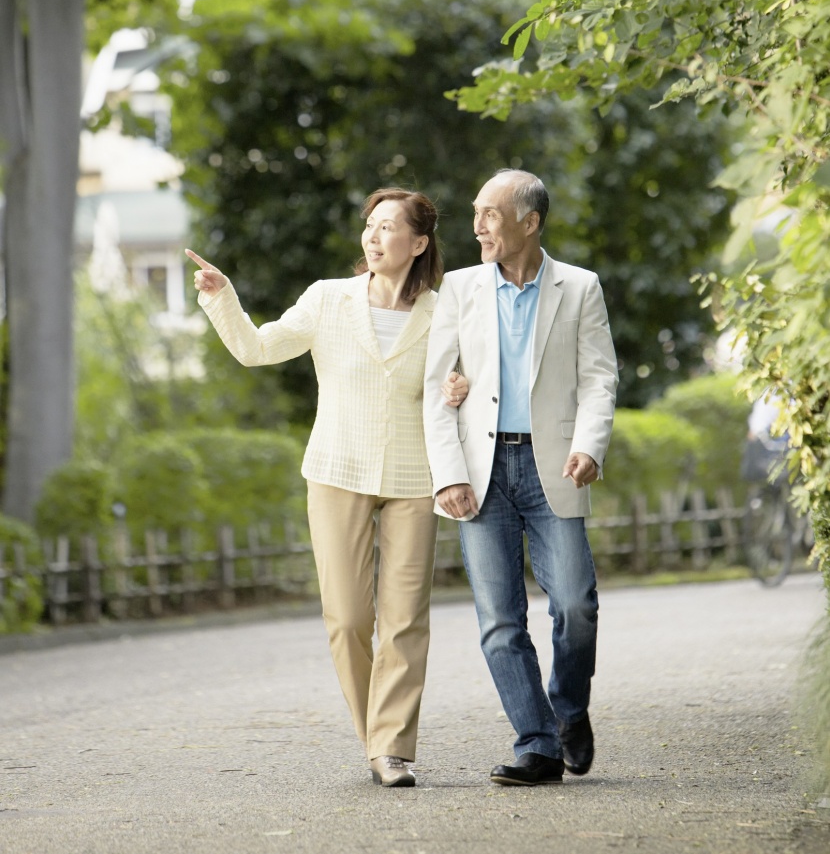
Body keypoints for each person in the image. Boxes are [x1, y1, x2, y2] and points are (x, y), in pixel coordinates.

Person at [186, 188, 467, 789]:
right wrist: (222, 299)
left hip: (416, 478)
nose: (373, 235)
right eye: (370, 225)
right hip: (337, 470)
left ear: (418, 244)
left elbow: (462, 383)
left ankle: (391, 747)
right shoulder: (328, 299)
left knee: (405, 617)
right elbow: (258, 349)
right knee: (346, 618)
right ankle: (376, 733)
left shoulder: (445, 311)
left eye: (388, 227)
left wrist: (460, 391)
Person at [423, 169, 618, 787]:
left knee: (576, 606)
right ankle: (536, 745)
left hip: (552, 464)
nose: (478, 225)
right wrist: (447, 474)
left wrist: (590, 445)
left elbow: (599, 379)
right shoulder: (457, 289)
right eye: (475, 212)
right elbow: (437, 387)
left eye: (490, 214)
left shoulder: (580, 287)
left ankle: (569, 712)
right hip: (481, 472)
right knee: (500, 621)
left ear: (528, 223)